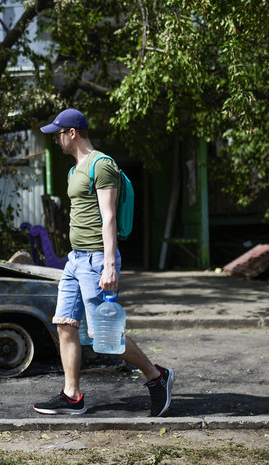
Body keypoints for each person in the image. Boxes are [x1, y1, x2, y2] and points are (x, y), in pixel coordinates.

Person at [33, 108, 174, 417]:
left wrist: (110, 265)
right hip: (75, 261)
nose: (55, 140)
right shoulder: (74, 171)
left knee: (104, 335)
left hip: (97, 260)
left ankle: (156, 376)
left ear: (72, 133)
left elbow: (108, 216)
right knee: (65, 324)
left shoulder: (102, 165)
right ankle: (72, 396)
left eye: (57, 134)